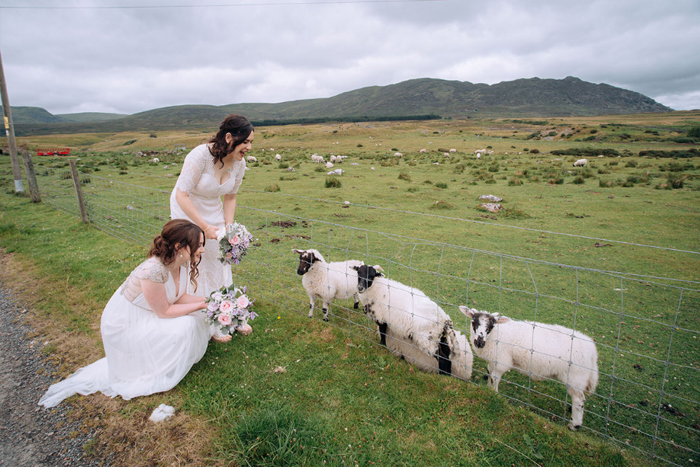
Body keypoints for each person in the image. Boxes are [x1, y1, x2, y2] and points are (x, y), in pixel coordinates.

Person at [39, 220, 211, 408]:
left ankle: (170, 357)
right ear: (179, 247)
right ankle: (158, 368)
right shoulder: (153, 270)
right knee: (187, 323)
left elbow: (179, 297)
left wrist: (211, 300)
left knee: (197, 316)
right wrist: (201, 305)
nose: (202, 250)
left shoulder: (181, 263)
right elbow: (165, 311)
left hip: (150, 313)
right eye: (199, 245)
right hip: (125, 325)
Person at [170, 114, 254, 336]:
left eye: (251, 142)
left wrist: (229, 229)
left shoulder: (239, 164)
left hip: (213, 208)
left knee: (220, 258)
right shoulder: (199, 156)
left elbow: (231, 197)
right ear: (228, 137)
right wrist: (205, 229)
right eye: (245, 141)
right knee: (198, 257)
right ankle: (204, 317)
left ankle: (226, 312)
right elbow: (181, 194)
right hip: (187, 208)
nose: (249, 147)